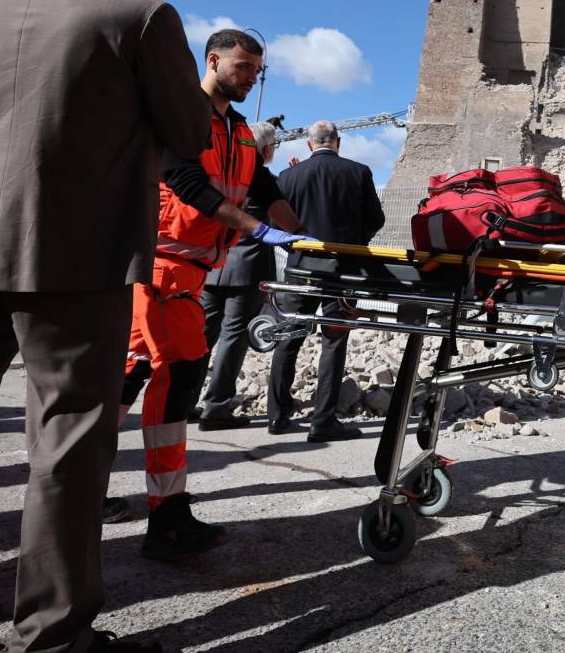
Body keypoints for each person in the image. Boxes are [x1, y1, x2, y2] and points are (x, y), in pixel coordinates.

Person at [0, 0, 210, 653]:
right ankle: (53, 638)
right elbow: (188, 129)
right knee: (68, 443)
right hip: (75, 256)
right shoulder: (140, 15)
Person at [110, 30, 309, 558]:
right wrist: (258, 230)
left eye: (257, 71)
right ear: (214, 60)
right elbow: (187, 185)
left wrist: (307, 239)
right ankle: (168, 517)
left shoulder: (241, 131)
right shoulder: (182, 116)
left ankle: (76, 485)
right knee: (180, 373)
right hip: (160, 268)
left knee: (128, 376)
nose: (251, 77)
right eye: (244, 67)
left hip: (188, 274)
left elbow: (263, 189)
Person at [267, 121, 385, 441]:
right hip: (342, 271)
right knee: (334, 342)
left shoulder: (288, 177)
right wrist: (353, 243)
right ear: (338, 142)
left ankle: (277, 417)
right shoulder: (358, 172)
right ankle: (323, 421)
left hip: (301, 269)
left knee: (288, 338)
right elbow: (376, 219)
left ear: (308, 144)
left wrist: (294, 248)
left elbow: (273, 224)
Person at [193, 121, 280, 430]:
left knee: (201, 334)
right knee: (234, 336)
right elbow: (280, 216)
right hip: (248, 268)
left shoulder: (225, 170)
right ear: (266, 149)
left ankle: (185, 401)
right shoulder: (260, 175)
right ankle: (216, 408)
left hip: (215, 263)